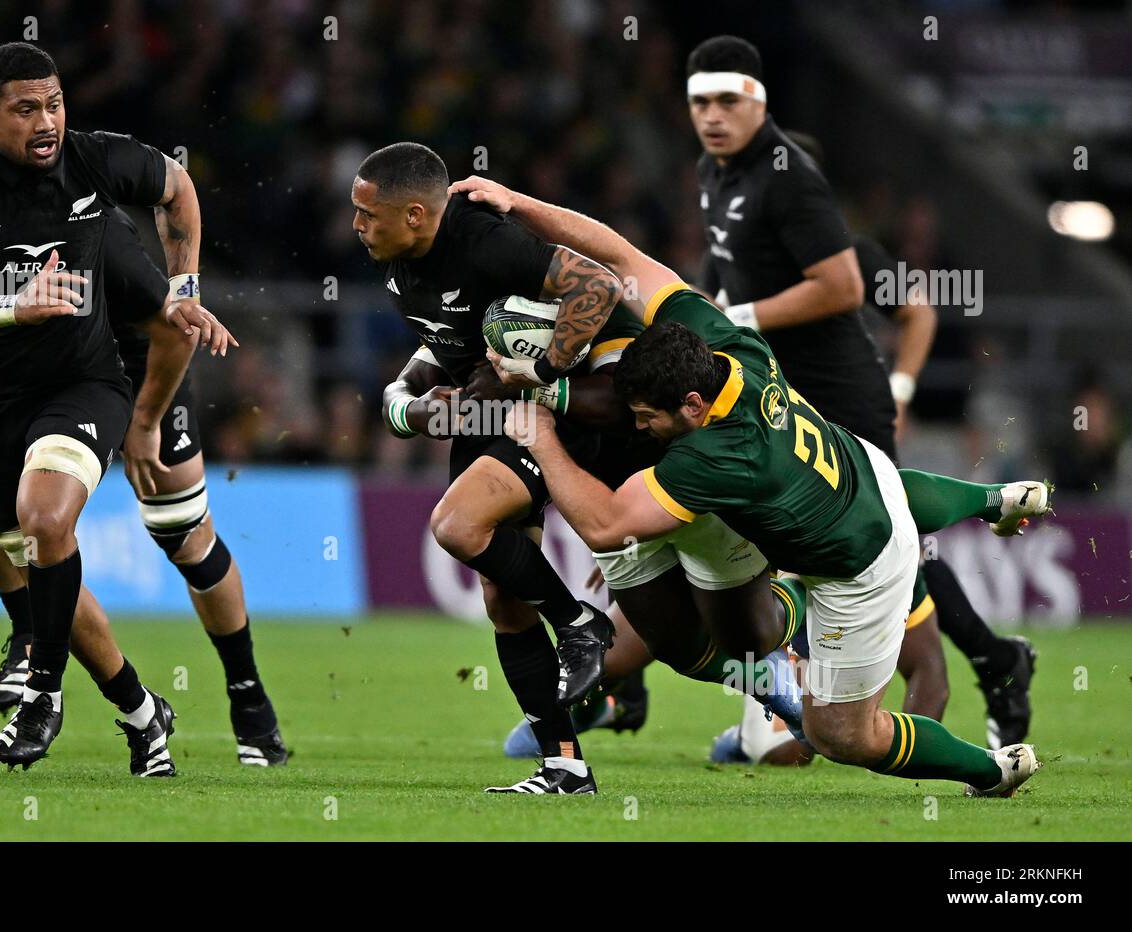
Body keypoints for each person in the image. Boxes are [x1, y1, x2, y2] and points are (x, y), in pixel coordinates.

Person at [455, 175, 1047, 797]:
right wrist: (517, 203)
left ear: (690, 405)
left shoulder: (716, 457)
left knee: (842, 733)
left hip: (858, 570)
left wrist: (540, 433)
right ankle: (990, 500)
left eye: (648, 416)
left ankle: (994, 771)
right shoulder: (725, 343)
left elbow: (604, 524)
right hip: (857, 470)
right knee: (863, 513)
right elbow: (621, 257)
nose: (638, 426)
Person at [686, 35, 1036, 750]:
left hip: (839, 403)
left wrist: (901, 384)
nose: (713, 117)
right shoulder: (719, 180)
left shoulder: (817, 220)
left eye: (728, 101)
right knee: (877, 546)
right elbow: (723, 281)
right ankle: (982, 661)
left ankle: (801, 713)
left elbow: (911, 306)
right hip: (782, 402)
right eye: (701, 102)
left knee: (877, 545)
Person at [0, 94, 286, 768]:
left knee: (183, 535)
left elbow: (173, 323)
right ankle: (36, 642)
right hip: (51, 374)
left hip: (142, 364)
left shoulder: (90, 222)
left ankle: (248, 696)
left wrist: (145, 422)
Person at [0, 43, 213, 774]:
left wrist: (186, 285)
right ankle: (145, 713)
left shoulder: (96, 158)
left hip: (85, 385)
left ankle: (42, 695)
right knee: (48, 568)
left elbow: (178, 189)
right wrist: (12, 304)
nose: (46, 121)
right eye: (25, 109)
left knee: (48, 520)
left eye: (54, 103)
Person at [357, 141, 629, 794]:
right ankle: (564, 766)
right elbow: (438, 342)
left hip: (546, 415)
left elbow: (598, 284)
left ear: (418, 215)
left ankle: (579, 622)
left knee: (455, 525)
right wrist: (412, 409)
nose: (357, 227)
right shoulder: (397, 263)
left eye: (368, 215)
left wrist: (536, 371)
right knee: (504, 601)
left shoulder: (486, 243)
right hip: (484, 419)